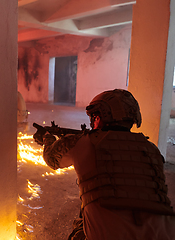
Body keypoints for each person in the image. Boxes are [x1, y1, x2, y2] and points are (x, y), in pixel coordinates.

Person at [34, 89, 175, 240]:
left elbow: (51, 159)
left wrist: (47, 138)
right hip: (164, 234)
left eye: (94, 116)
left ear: (100, 116)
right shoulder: (152, 149)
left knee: (80, 231)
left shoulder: (80, 142)